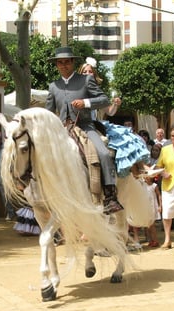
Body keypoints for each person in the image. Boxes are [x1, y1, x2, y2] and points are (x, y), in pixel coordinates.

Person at [45, 46, 122, 214]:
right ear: (56, 65)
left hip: (85, 126)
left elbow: (103, 99)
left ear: (73, 62)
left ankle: (110, 196)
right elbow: (49, 112)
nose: (63, 65)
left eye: (67, 62)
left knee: (103, 153)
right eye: (60, 62)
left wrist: (85, 103)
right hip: (62, 129)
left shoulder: (85, 80)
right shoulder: (53, 86)